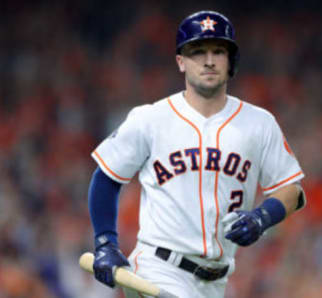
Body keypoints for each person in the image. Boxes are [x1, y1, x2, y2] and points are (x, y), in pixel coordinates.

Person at [87, 10, 306, 298]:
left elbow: (292, 190)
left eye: (219, 51)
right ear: (181, 61)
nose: (209, 60)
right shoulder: (151, 119)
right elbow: (106, 177)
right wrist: (106, 243)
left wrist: (261, 217)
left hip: (216, 281)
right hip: (158, 271)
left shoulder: (259, 123)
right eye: (197, 52)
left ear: (231, 61)